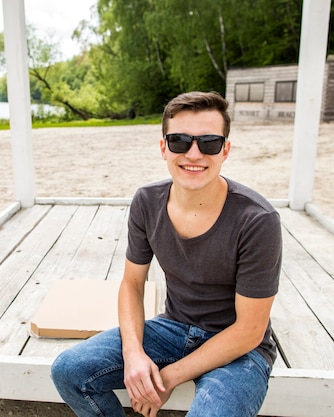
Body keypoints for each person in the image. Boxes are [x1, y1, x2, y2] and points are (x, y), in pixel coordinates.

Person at [51, 91, 282, 417]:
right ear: (163, 148)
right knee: (68, 370)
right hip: (174, 328)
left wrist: (169, 376)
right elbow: (132, 283)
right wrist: (133, 355)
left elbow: (249, 331)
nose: (194, 153)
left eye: (209, 143)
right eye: (179, 141)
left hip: (241, 349)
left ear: (225, 150)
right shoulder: (147, 201)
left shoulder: (258, 220)